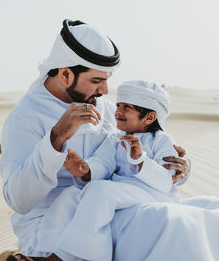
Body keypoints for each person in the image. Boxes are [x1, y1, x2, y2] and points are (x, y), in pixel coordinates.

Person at [1, 19, 219, 261]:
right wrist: (56, 137)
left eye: (106, 81)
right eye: (96, 81)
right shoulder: (25, 117)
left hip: (113, 207)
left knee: (215, 211)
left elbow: (137, 148)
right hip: (56, 224)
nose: (104, 91)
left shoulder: (102, 106)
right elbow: (18, 201)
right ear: (66, 74)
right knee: (172, 223)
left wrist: (176, 168)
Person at [44, 80, 181, 260]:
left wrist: (141, 160)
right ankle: (46, 249)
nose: (118, 111)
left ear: (149, 117)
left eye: (127, 107)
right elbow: (103, 163)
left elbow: (166, 182)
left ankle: (85, 256)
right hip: (119, 191)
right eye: (118, 105)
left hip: (151, 193)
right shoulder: (116, 139)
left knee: (101, 190)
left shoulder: (162, 140)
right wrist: (85, 169)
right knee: (70, 195)